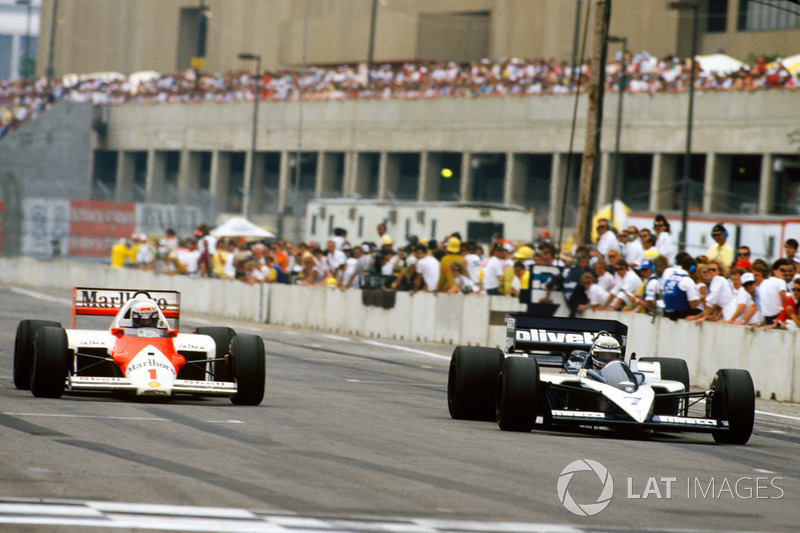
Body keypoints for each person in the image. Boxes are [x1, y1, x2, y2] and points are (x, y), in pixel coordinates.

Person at [662, 255, 700, 320]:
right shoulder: (687, 280)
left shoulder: (670, 277)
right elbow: (693, 305)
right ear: (692, 269)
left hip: (666, 312)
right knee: (701, 313)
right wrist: (701, 297)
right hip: (679, 314)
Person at [759, 258, 791, 325]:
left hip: (766, 318)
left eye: (786, 271)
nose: (784, 272)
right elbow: (785, 303)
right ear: (774, 271)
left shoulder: (764, 282)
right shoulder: (780, 282)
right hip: (777, 318)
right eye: (782, 270)